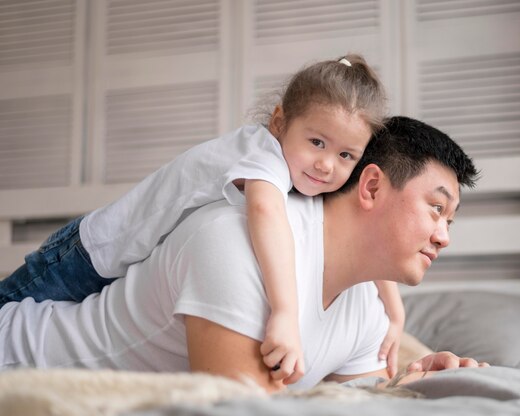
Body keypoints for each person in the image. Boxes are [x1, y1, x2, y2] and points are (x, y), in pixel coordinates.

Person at [0, 55, 406, 381]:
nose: (326, 164)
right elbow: (265, 213)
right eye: (317, 142)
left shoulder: (309, 179)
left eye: (345, 156)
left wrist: (395, 312)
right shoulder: (266, 158)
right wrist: (285, 313)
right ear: (279, 122)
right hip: (88, 253)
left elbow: (367, 242)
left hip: (121, 266)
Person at [0, 116, 482, 391]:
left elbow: (354, 401)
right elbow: (245, 406)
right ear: (372, 185)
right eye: (437, 209)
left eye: (450, 220)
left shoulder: (367, 309)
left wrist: (414, 385)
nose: (444, 236)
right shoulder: (237, 242)